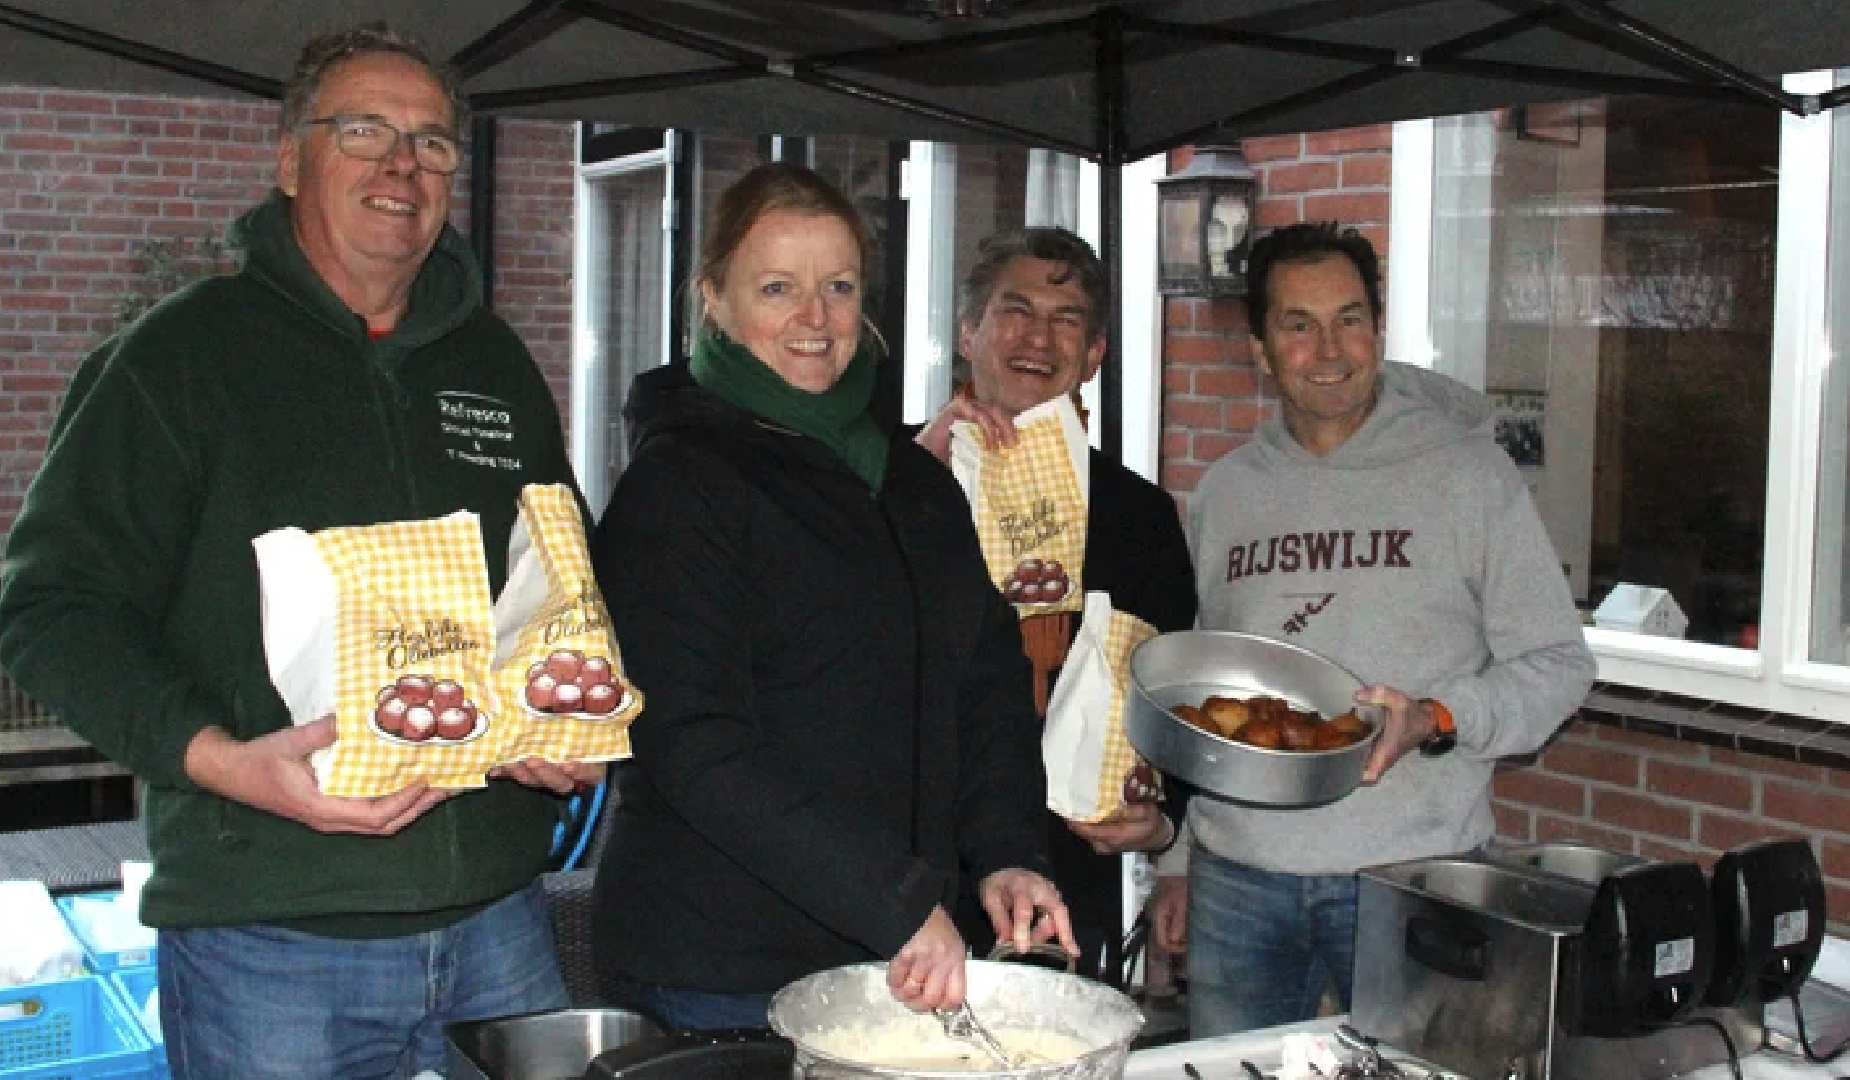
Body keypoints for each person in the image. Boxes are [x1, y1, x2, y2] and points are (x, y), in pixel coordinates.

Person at [0, 24, 600, 1078]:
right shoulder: (180, 359)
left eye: (432, 142)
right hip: (270, 937)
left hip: (500, 916)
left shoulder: (493, 362)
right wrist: (221, 761)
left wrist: (557, 699)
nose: (402, 165)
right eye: (363, 130)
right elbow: (51, 610)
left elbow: (555, 575)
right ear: (289, 160)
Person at [590, 163, 1075, 1032]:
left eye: (839, 287)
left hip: (893, 958)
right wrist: (896, 900)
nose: (815, 319)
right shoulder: (677, 485)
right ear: (715, 300)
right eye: (778, 288)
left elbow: (987, 686)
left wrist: (1006, 851)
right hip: (723, 973)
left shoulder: (913, 484)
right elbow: (695, 748)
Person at [1147, 221, 1595, 1037]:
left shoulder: (1469, 478)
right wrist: (1175, 864)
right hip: (1238, 882)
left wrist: (1438, 716)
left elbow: (1560, 664)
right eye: (1298, 324)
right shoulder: (1225, 493)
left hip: (1413, 881)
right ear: (1258, 348)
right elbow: (1200, 693)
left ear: (1379, 332)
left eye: (1350, 318)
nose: (1329, 349)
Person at [916, 227, 1196, 984]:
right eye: (1016, 310)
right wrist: (911, 480)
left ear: (1095, 353)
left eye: (1066, 318)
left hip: (1066, 879)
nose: (1038, 337)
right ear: (968, 332)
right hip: (902, 872)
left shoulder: (1138, 515)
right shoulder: (888, 481)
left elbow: (1173, 692)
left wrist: (1160, 820)